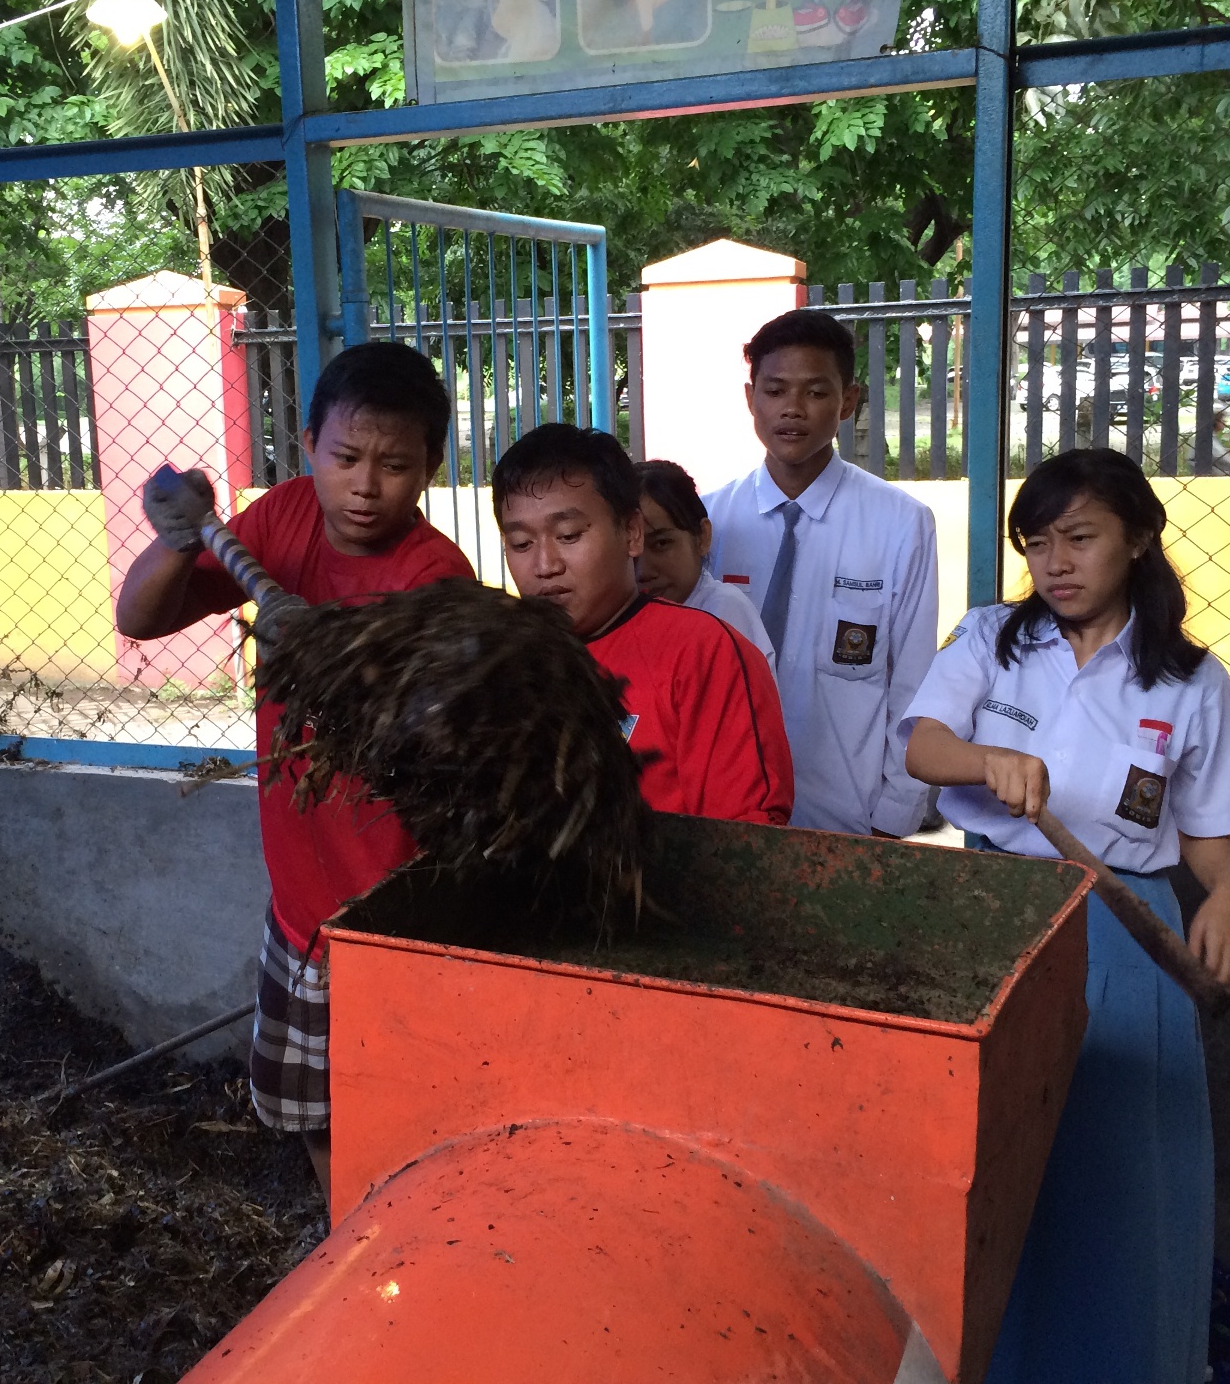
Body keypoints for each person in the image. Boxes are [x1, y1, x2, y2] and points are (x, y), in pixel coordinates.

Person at [900, 447, 1230, 1384]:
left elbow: (1209, 834)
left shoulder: (1190, 679)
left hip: (1124, 934)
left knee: (1120, 1173)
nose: (1054, 563)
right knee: (998, 1169)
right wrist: (986, 760)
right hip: (994, 918)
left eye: (1079, 538)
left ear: (1137, 539)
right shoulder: (991, 638)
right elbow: (925, 747)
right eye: (1036, 543)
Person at [115, 341, 475, 1201]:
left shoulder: (436, 576)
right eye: (345, 457)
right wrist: (178, 542)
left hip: (396, 903)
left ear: (430, 467)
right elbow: (138, 617)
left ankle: (400, 1235)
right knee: (314, 1109)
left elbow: (425, 743)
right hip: (303, 899)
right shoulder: (282, 519)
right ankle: (344, 1236)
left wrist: (332, 658)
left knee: (411, 1104)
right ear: (309, 443)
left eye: (394, 465)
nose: (365, 485)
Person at [703, 308, 938, 838]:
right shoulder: (710, 522)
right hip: (726, 809)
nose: (792, 409)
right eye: (775, 391)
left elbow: (914, 680)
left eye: (815, 392)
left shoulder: (901, 523)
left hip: (847, 817)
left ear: (848, 401)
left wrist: (893, 816)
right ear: (751, 399)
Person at [494, 423, 794, 826]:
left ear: (632, 533)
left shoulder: (703, 652)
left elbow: (745, 838)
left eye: (568, 535)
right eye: (521, 544)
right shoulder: (502, 666)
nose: (545, 566)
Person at [634, 459, 776, 665]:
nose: (642, 570)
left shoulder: (724, 614)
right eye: (629, 550)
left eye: (662, 543)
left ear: (702, 536)